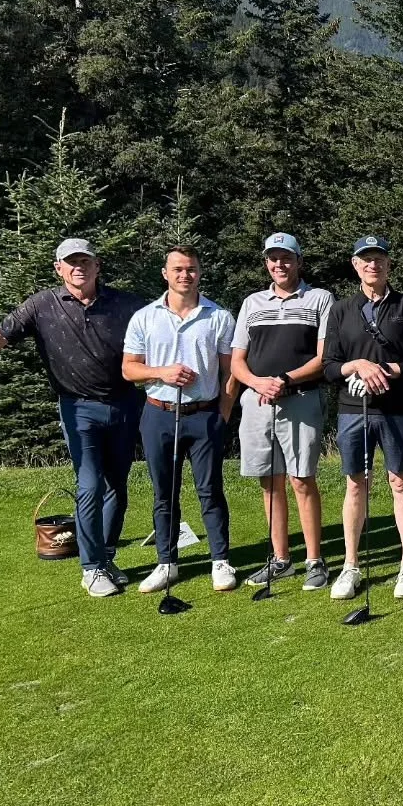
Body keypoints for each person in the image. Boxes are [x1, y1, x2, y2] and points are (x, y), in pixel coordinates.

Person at [0, 238, 146, 598]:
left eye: (85, 260)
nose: (78, 267)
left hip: (125, 405)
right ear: (59, 268)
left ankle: (107, 556)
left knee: (117, 485)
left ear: (97, 265)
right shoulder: (42, 305)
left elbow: (163, 329)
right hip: (77, 408)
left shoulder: (127, 304)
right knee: (89, 484)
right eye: (70, 262)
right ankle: (91, 568)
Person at [322, 236, 403, 602]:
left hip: (398, 408)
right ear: (355, 265)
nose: (372, 265)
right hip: (352, 409)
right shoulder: (342, 310)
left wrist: (387, 369)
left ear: (389, 265)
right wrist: (355, 366)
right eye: (365, 259)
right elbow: (328, 367)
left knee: (400, 482)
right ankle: (350, 565)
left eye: (379, 259)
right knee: (355, 484)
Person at [122, 245, 238, 593]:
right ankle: (166, 562)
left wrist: (223, 414)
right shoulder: (145, 317)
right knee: (163, 492)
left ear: (199, 273)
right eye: (178, 269)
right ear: (165, 274)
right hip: (158, 414)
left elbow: (230, 374)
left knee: (210, 490)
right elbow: (129, 369)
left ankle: (220, 560)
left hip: (204, 416)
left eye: (191, 269)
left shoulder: (219, 317)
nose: (184, 275)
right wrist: (162, 373)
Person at [228, 233, 336, 593]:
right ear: (266, 264)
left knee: (301, 479)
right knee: (269, 481)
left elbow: (323, 358)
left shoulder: (320, 298)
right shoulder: (252, 303)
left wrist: (283, 380)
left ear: (299, 262)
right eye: (273, 259)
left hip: (301, 397)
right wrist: (260, 384)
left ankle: (315, 560)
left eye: (286, 258)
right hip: (258, 401)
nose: (280, 264)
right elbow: (237, 361)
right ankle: (280, 559)